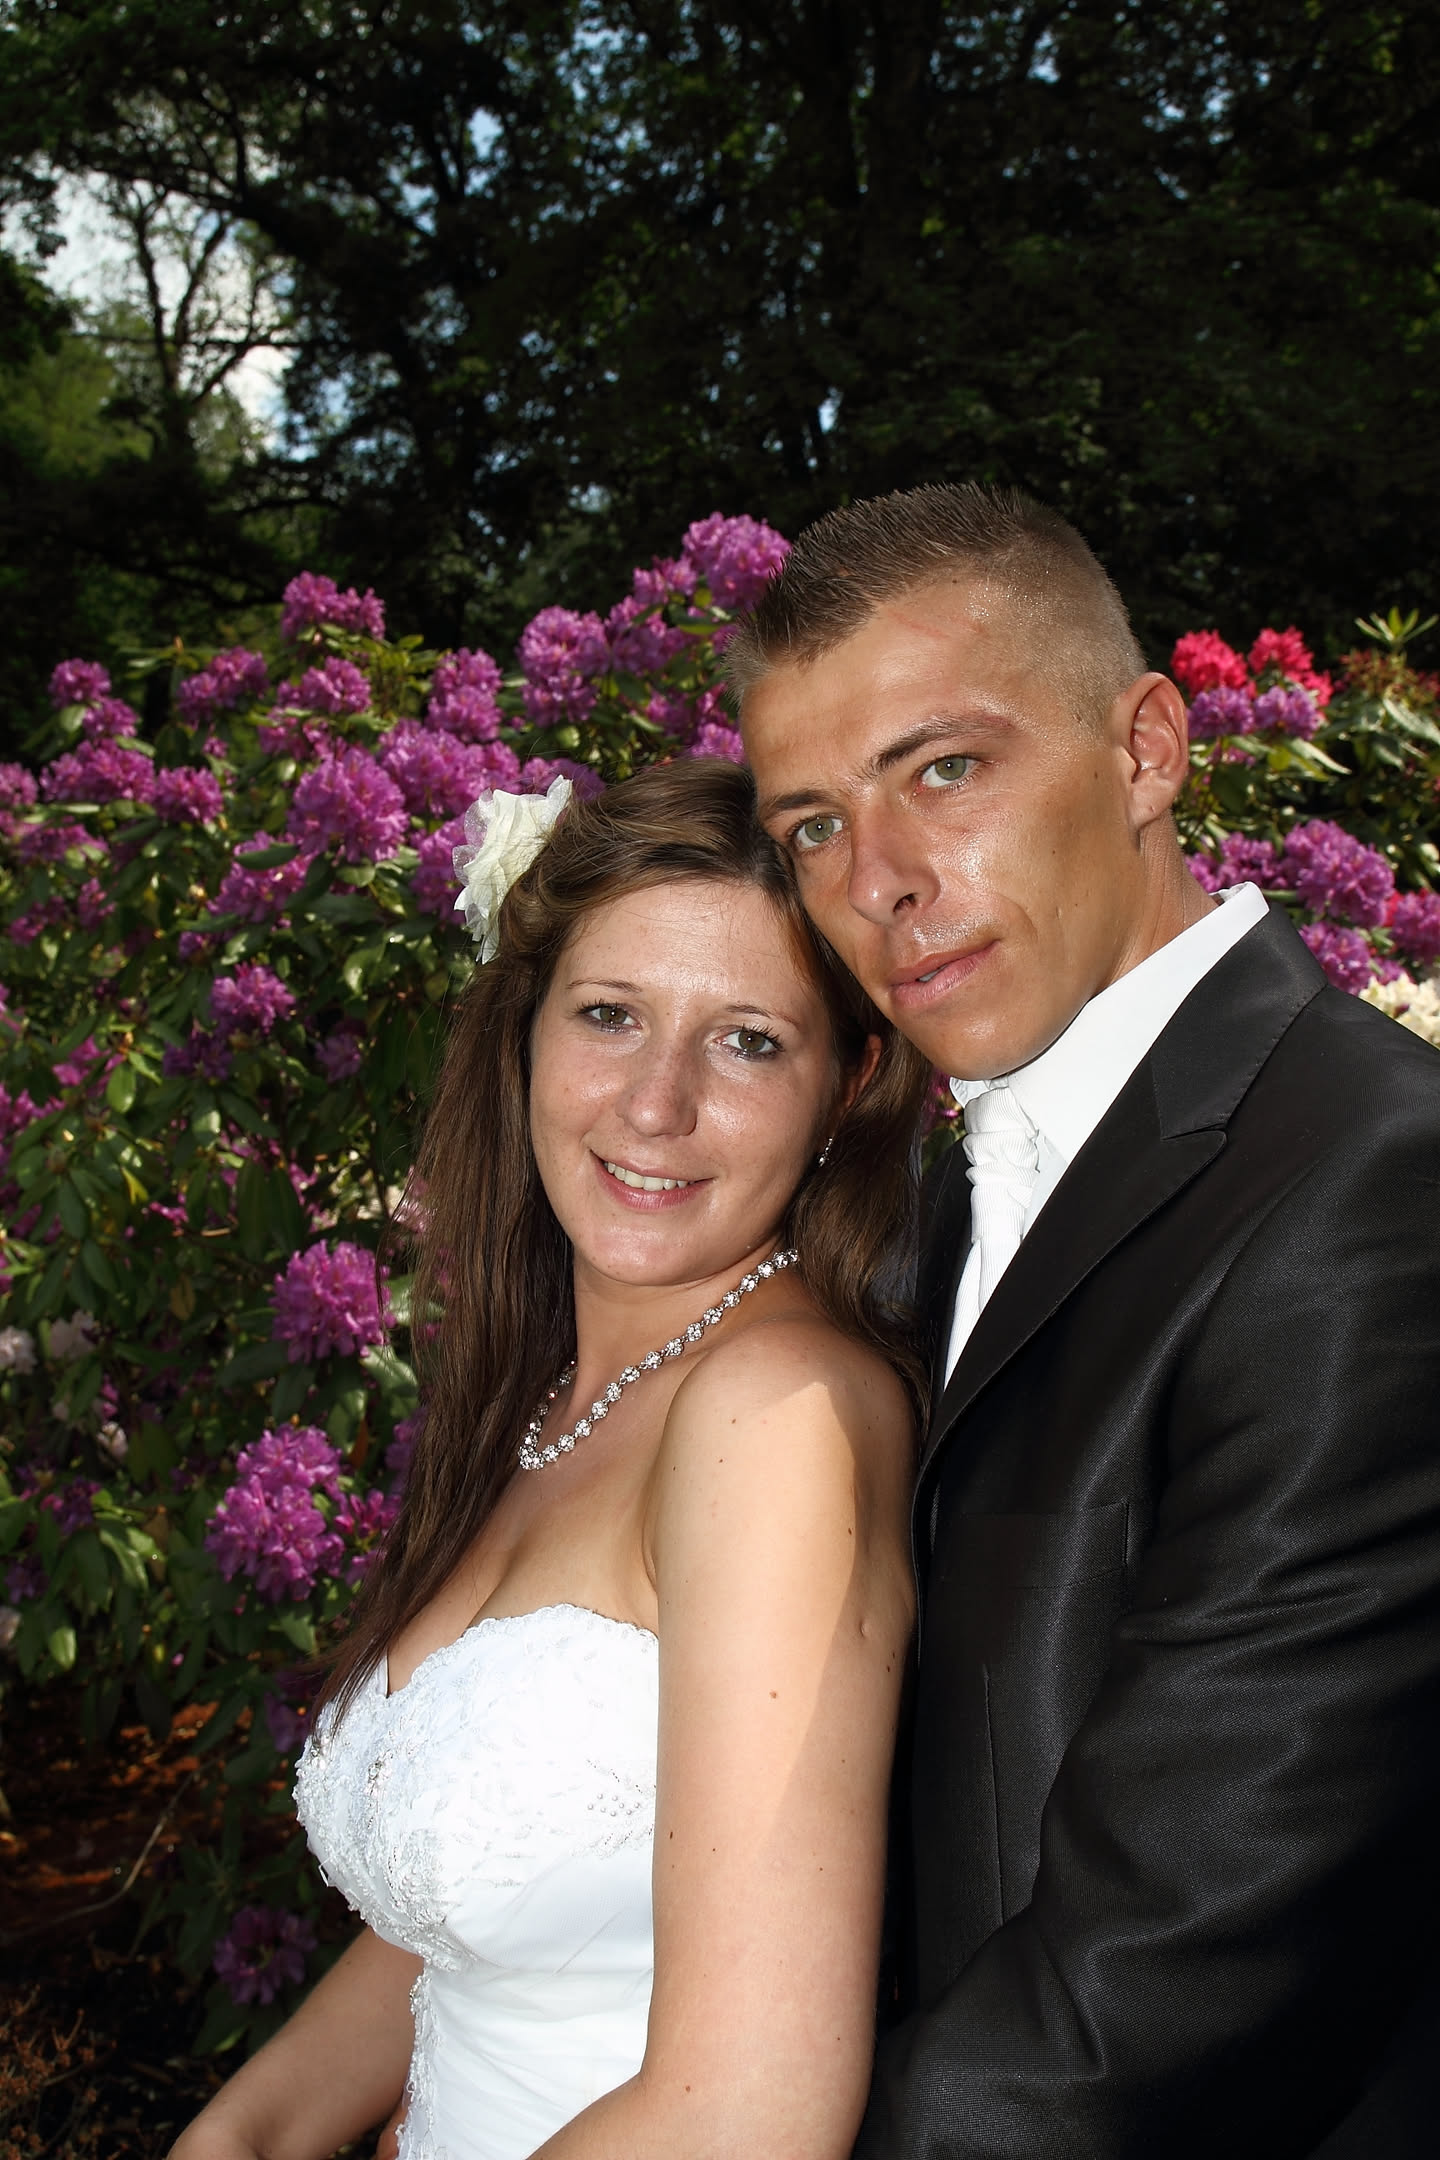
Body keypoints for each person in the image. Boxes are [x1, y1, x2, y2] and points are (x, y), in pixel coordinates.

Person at [733, 482, 1440, 2158]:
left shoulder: (1376, 1182)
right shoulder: (927, 1203)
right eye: (813, 826)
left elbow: (1178, 1963)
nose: (880, 881)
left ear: (1145, 752)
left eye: (943, 770)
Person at [170, 759, 932, 2160]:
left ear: (848, 1085)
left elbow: (747, 2115)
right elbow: (476, 1924)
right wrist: (240, 2136)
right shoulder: (547, 1401)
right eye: (610, 1015)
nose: (655, 1104)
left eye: (749, 1041)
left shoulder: (772, 1415)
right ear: (525, 1032)